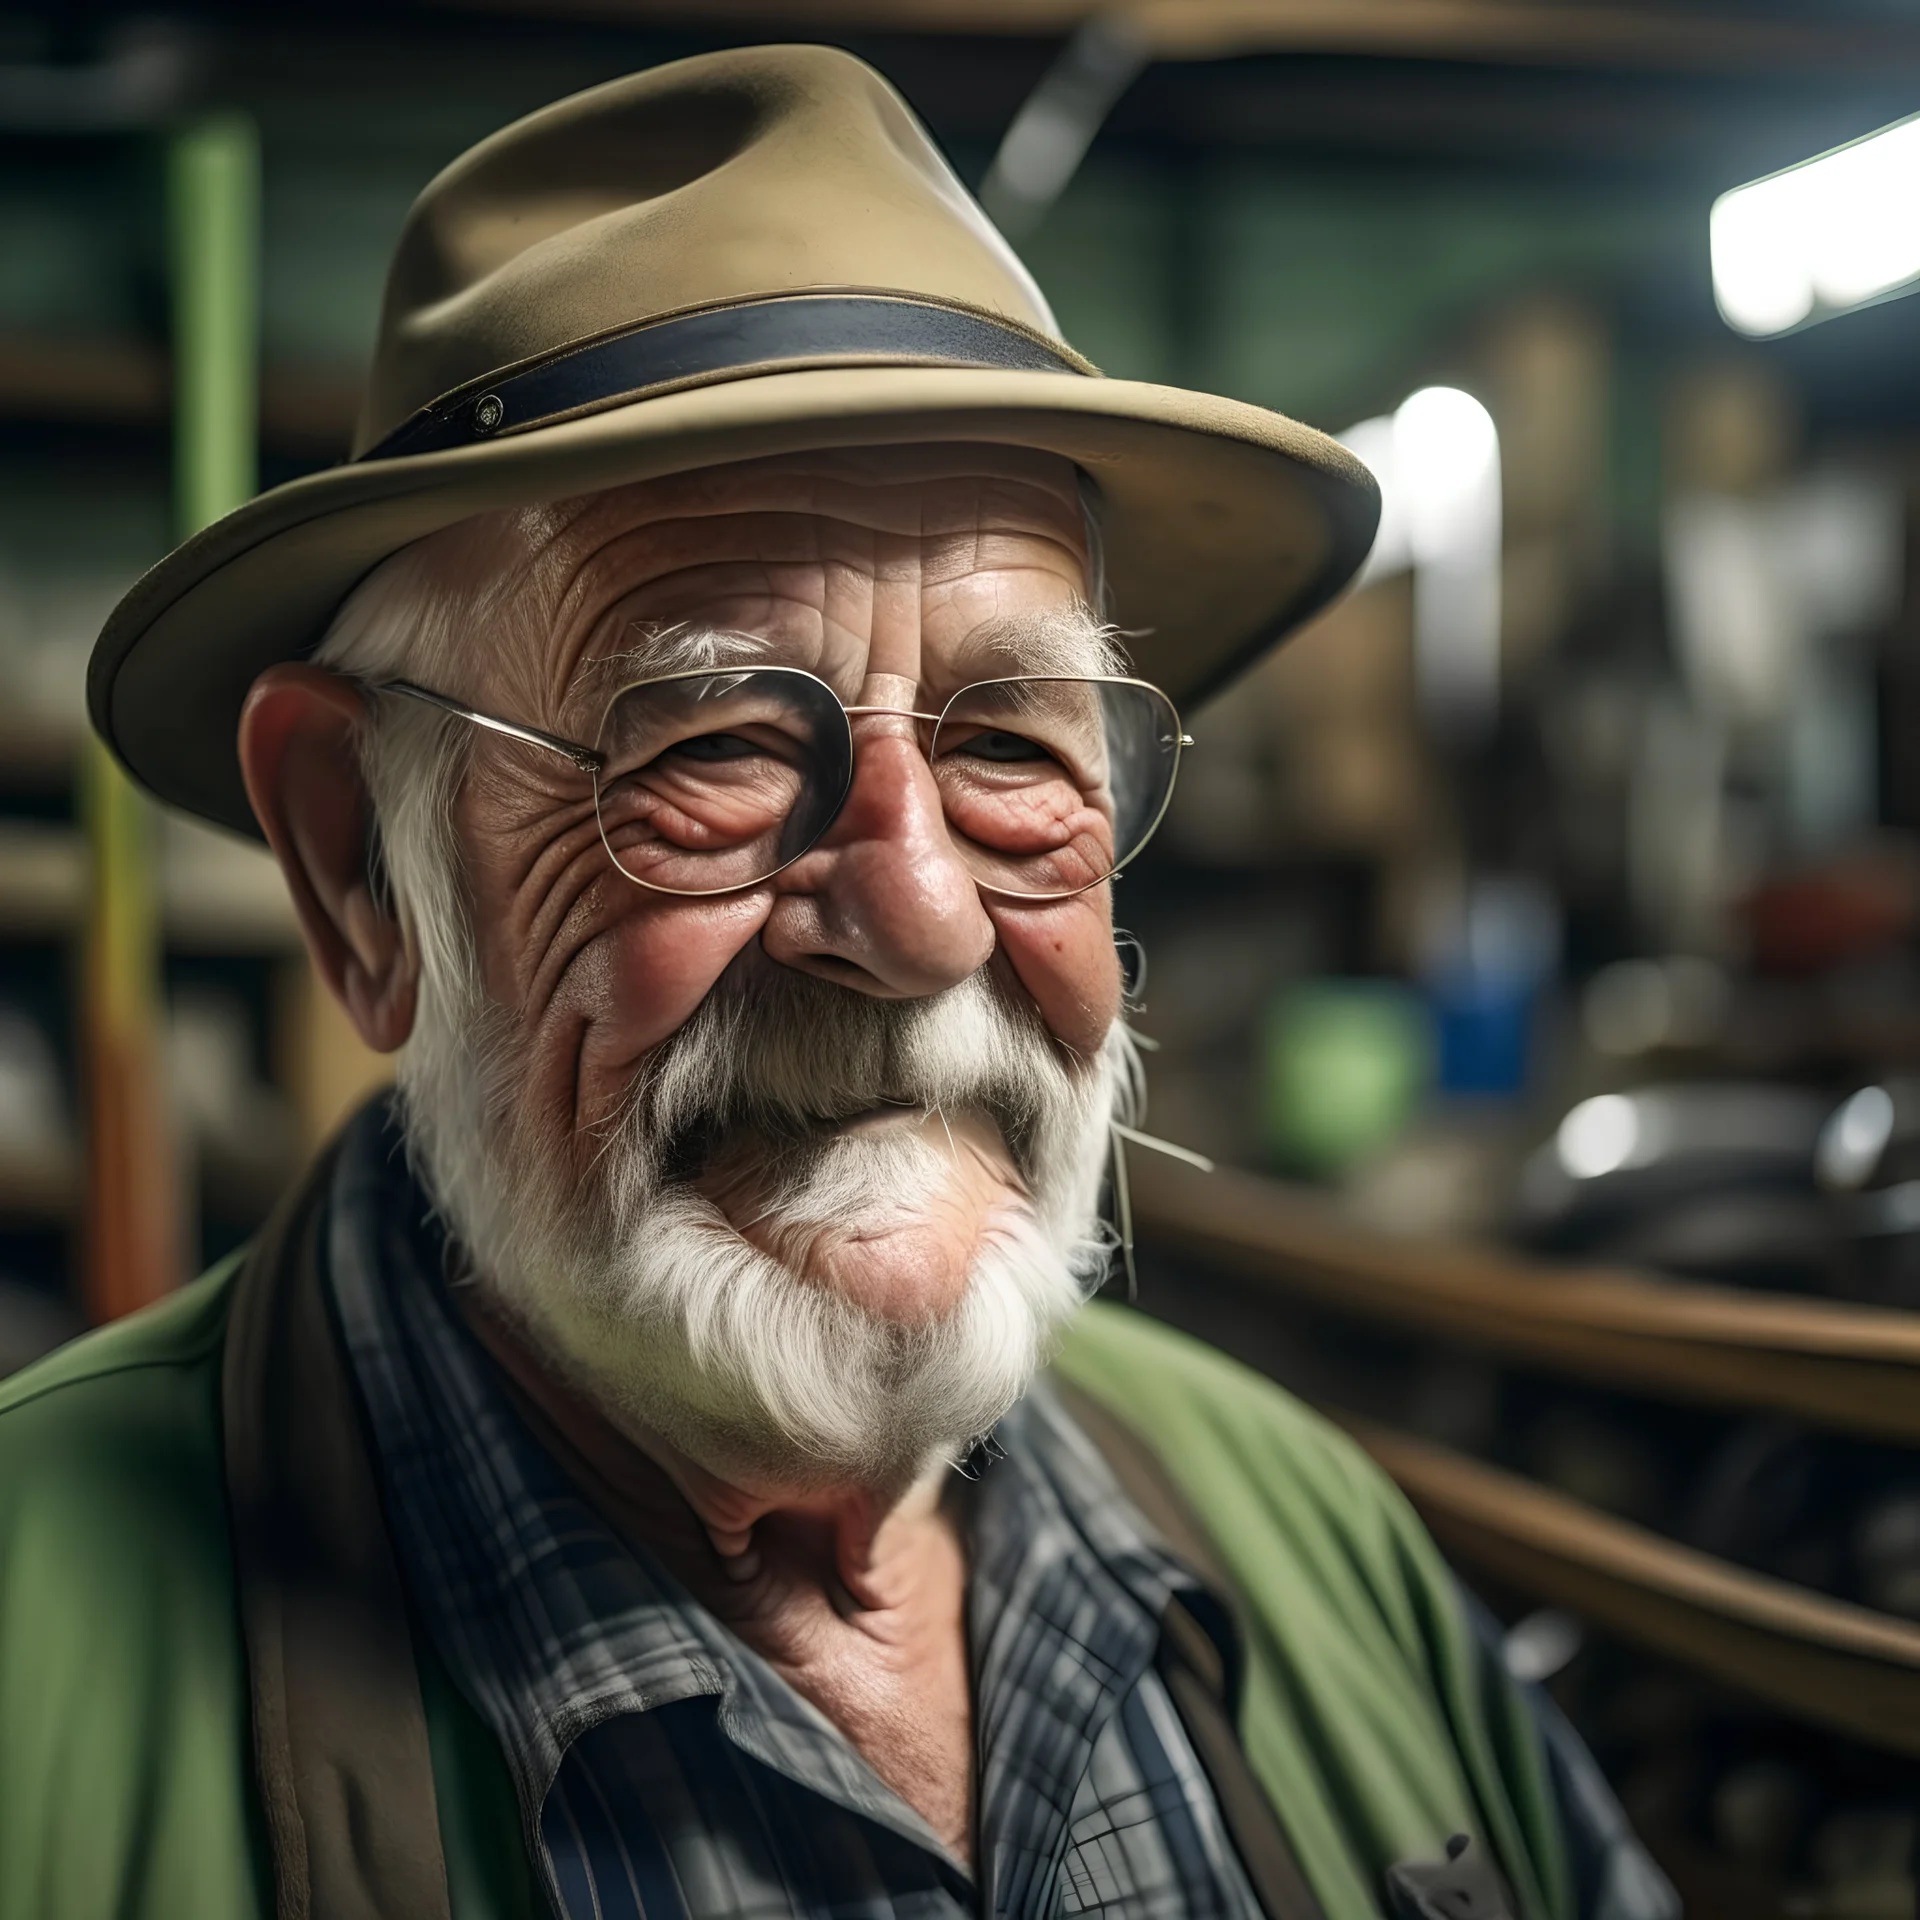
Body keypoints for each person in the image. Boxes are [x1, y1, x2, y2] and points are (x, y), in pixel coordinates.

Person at [2, 45, 1673, 1920]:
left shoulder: (1305, 1531)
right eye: (712, 737)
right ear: (361, 867)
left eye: (1018, 744)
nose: (922, 915)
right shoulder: (36, 1663)